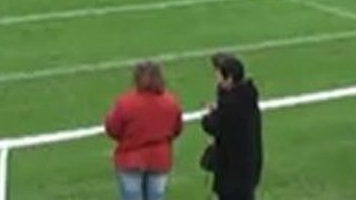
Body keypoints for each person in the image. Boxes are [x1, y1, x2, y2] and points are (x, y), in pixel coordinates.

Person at [104, 61, 183, 200]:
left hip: (130, 159)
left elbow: (112, 128)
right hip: (159, 158)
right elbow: (176, 129)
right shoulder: (171, 102)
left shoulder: (125, 103)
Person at [201, 54, 263, 200]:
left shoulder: (231, 105)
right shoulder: (246, 97)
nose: (217, 80)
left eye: (219, 76)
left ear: (229, 78)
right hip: (247, 168)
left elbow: (211, 125)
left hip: (232, 172)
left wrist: (211, 114)